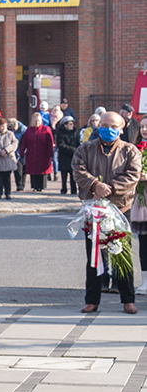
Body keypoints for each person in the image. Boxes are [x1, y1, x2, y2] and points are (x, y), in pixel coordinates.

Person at [72, 111, 141, 314]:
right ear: (98, 126)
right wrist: (95, 185)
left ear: (121, 129)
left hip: (120, 209)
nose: (108, 130)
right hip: (94, 210)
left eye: (113, 127)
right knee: (94, 256)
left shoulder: (130, 150)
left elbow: (133, 175)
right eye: (104, 126)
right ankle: (92, 300)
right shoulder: (85, 148)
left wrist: (108, 188)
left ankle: (128, 299)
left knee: (122, 254)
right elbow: (78, 170)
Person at [19, 112, 54, 192]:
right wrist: (21, 152)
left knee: (42, 170)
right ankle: (35, 186)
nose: (37, 122)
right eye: (35, 121)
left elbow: (50, 142)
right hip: (32, 153)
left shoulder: (46, 129)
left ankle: (41, 187)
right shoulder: (29, 130)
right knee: (33, 170)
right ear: (32, 121)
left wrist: (50, 153)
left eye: (38, 121)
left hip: (43, 154)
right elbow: (24, 142)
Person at [132, 116, 147, 295]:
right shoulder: (134, 149)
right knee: (144, 244)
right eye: (142, 126)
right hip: (142, 203)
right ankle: (144, 281)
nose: (144, 130)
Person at [56, 116, 79, 194]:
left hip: (73, 157)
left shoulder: (75, 133)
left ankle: (73, 189)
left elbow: (78, 143)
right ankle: (64, 189)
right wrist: (73, 150)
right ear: (65, 125)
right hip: (64, 157)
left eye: (72, 124)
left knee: (73, 174)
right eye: (70, 124)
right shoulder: (60, 133)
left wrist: (78, 150)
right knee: (64, 175)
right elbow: (61, 145)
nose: (72, 125)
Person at [8, 118, 27, 192]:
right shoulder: (8, 130)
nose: (13, 130)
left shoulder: (24, 130)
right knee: (17, 170)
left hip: (23, 151)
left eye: (14, 129)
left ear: (17, 125)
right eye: (11, 129)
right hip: (13, 153)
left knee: (24, 170)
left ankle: (22, 185)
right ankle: (19, 186)